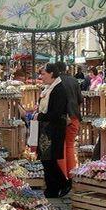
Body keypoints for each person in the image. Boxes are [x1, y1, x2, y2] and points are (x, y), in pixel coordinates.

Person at [35, 63, 68, 198]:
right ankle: (53, 188)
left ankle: (60, 184)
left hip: (54, 129)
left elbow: (56, 113)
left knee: (49, 159)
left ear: (52, 74)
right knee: (46, 159)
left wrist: (40, 116)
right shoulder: (48, 88)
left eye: (43, 74)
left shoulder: (58, 89)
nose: (41, 77)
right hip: (47, 129)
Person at [56, 62, 82, 195]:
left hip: (61, 118)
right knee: (70, 147)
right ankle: (71, 177)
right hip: (74, 117)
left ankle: (63, 180)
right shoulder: (74, 80)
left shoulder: (56, 81)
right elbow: (80, 99)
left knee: (60, 148)